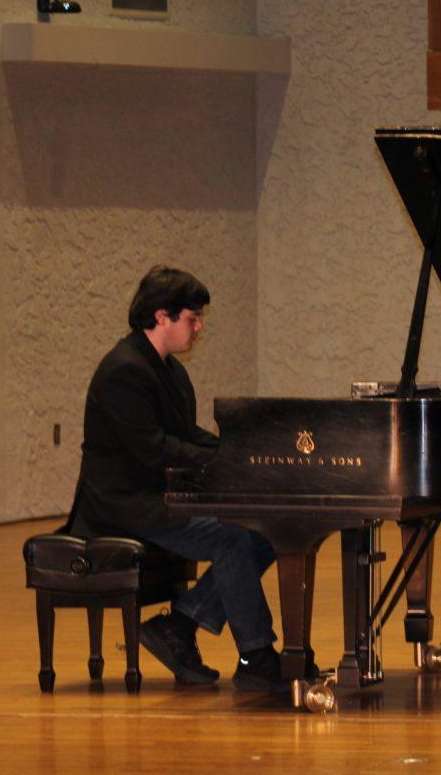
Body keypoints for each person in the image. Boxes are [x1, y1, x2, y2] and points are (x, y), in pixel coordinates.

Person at [68, 265, 287, 693]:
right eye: (193, 318)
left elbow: (186, 436)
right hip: (125, 505)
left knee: (265, 532)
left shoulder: (169, 370)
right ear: (161, 317)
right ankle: (257, 656)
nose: (200, 327)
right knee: (234, 539)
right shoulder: (123, 371)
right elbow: (155, 449)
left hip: (158, 496)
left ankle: (180, 626)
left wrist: (240, 454)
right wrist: (225, 460)